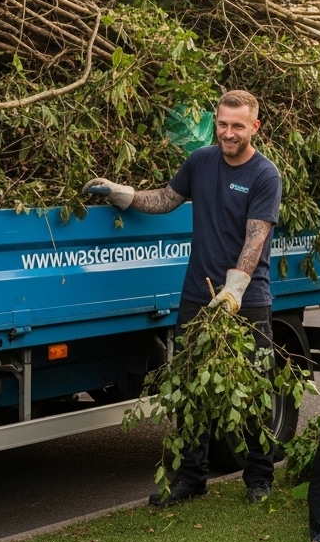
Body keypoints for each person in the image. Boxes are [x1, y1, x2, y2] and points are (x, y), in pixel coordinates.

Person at [83, 89, 282, 507]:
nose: (228, 133)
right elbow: (168, 199)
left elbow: (255, 237)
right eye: (222, 124)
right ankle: (192, 478)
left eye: (238, 126)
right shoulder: (201, 161)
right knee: (192, 390)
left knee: (254, 390)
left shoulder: (266, 175)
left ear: (254, 127)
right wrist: (126, 195)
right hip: (196, 296)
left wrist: (234, 291)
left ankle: (259, 478)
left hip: (247, 300)